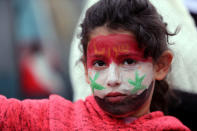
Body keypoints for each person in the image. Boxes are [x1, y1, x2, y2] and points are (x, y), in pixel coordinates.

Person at [0, 0, 190, 130]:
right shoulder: (56, 119)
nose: (113, 79)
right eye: (99, 63)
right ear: (85, 70)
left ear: (161, 66)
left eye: (128, 61)